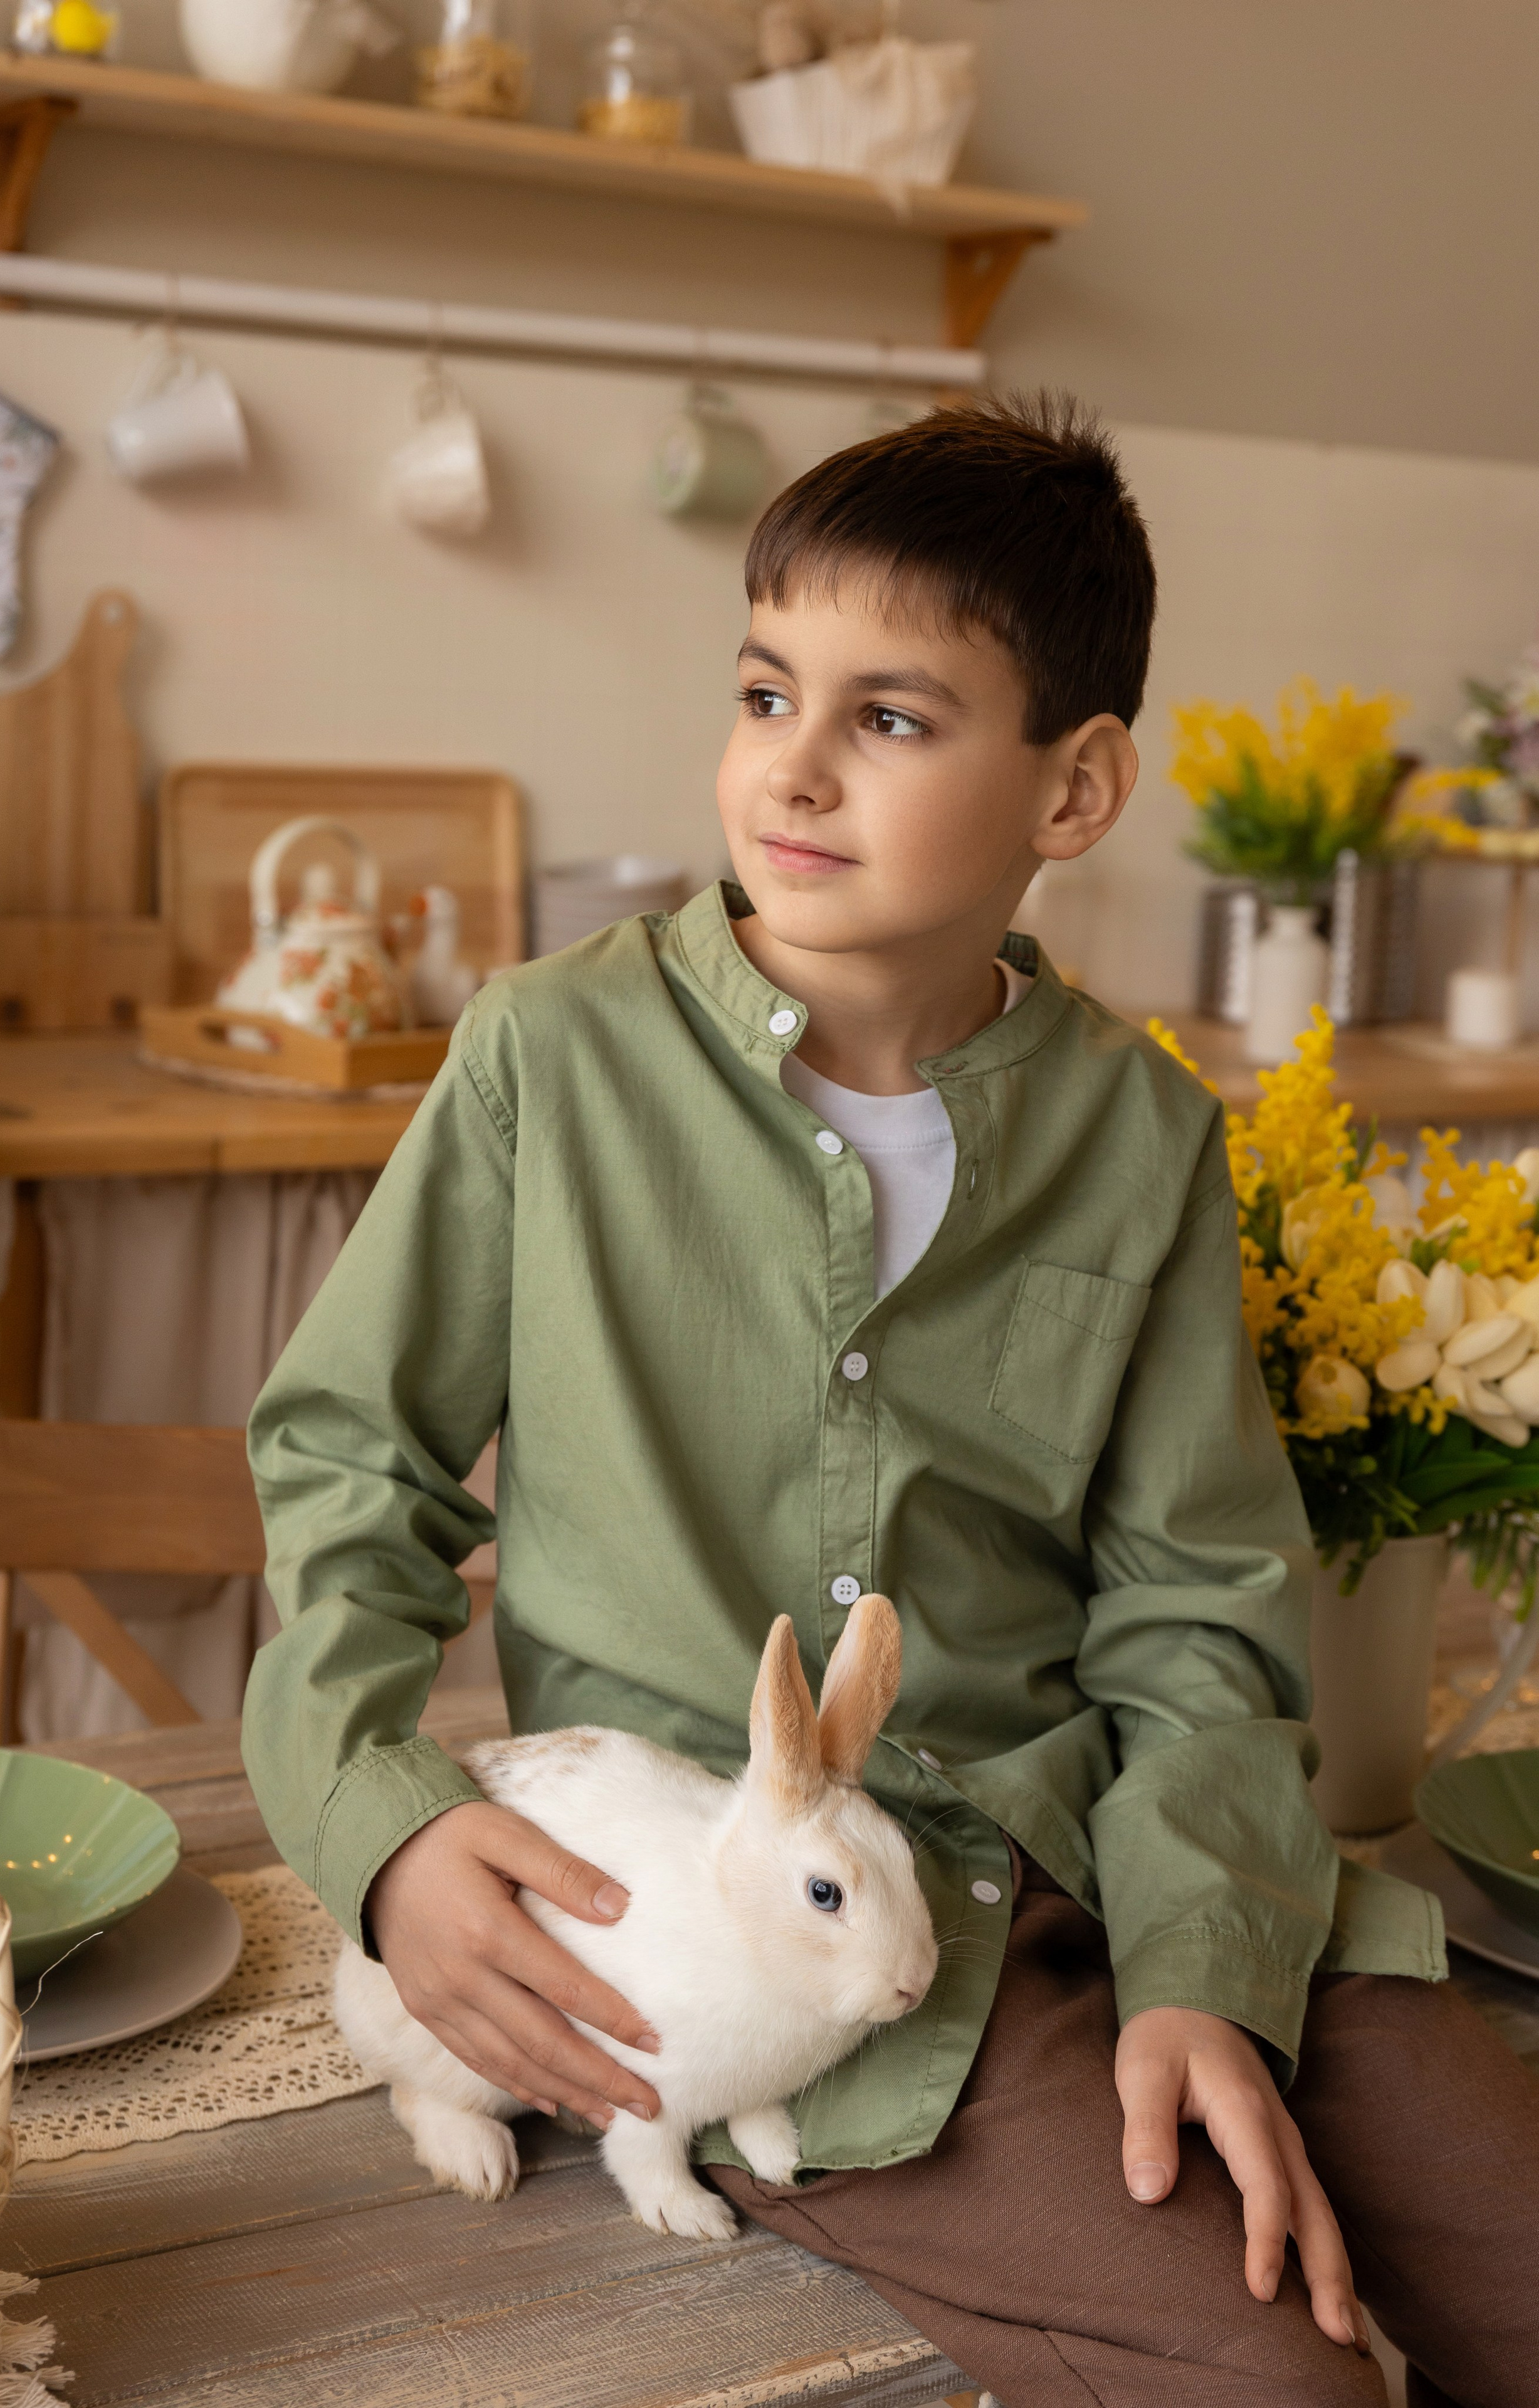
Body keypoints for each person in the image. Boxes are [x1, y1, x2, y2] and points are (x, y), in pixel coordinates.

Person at [243, 394, 1539, 2407]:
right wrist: (379, 1830)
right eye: (769, 688)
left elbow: (1197, 1605)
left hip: (1112, 1863)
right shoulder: (547, 1060)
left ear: (1077, 786)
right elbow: (350, 1465)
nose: (797, 763)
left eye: (895, 717)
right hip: (777, 1955)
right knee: (1278, 2376)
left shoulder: (1144, 1133)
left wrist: (1208, 1973)